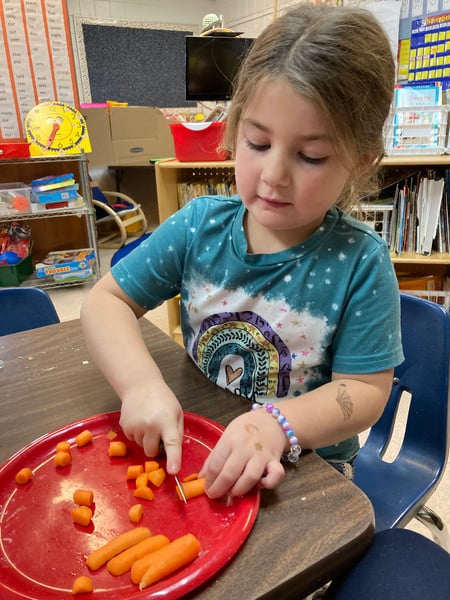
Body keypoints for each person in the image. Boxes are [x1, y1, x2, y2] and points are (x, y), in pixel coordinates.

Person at [80, 3, 404, 500]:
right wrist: (139, 385)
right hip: (196, 453)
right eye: (257, 143)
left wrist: (277, 425)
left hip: (304, 471)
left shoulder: (360, 260)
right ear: (235, 130)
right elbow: (106, 301)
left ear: (361, 160)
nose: (274, 175)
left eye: (311, 156)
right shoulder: (199, 227)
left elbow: (364, 392)